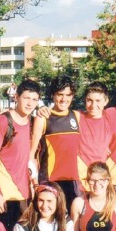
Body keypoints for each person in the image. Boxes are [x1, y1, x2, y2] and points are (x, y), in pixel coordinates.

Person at [0, 79, 40, 231]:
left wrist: (34, 187)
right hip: (2, 197)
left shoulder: (33, 123)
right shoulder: (3, 121)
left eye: (34, 99)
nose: (30, 103)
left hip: (23, 197)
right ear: (17, 97)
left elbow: (31, 159)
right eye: (26, 98)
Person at [30, 76, 81, 212]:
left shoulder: (77, 116)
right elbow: (31, 154)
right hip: (50, 180)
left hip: (73, 182)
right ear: (53, 95)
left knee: (72, 224)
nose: (64, 99)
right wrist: (34, 183)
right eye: (60, 95)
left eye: (68, 95)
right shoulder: (43, 117)